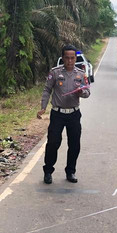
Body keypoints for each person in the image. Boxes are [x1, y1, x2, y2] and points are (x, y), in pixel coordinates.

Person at [37, 44, 90, 184]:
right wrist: (43, 107)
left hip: (73, 114)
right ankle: (48, 171)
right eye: (67, 58)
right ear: (63, 58)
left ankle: (70, 172)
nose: (70, 61)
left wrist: (82, 92)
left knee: (74, 144)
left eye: (72, 58)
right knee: (53, 143)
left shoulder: (80, 74)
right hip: (58, 114)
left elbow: (87, 92)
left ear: (75, 58)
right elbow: (47, 90)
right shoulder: (55, 73)